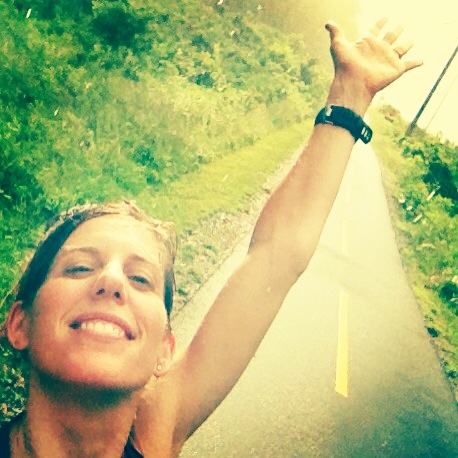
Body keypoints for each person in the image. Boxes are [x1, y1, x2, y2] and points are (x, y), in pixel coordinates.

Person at [0, 18, 422, 458]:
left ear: (163, 352)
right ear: (20, 322)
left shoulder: (156, 427)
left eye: (141, 279)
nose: (111, 281)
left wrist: (349, 97)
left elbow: (276, 256)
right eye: (80, 267)